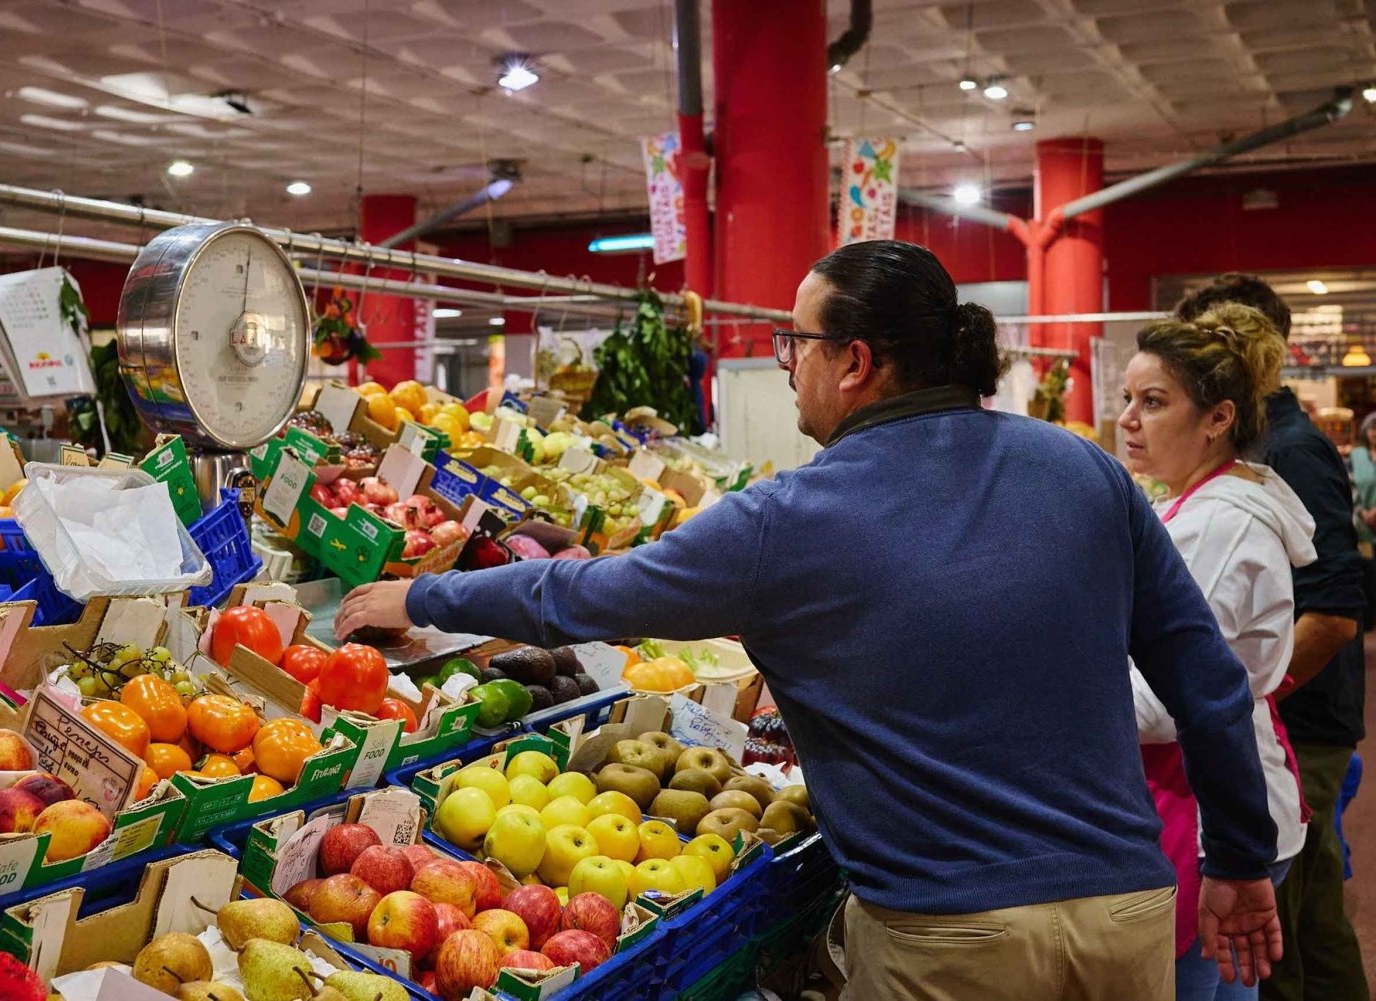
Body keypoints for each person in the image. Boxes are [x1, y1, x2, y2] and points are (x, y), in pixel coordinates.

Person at [338, 240, 1283, 1000]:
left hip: (951, 945)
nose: (787, 369)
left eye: (796, 345)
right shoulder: (1084, 472)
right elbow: (1206, 679)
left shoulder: (788, 519)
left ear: (856, 362)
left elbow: (581, 594)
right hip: (1126, 918)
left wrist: (420, 594)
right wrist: (1240, 861)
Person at [1175, 274, 1368, 1001]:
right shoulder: (1253, 448)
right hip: (1277, 726)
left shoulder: (1288, 449)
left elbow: (1335, 611)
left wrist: (1247, 695)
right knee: (1281, 937)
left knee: (1292, 936)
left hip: (1301, 728)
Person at [1119, 304, 1315, 1000]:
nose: (1128, 420)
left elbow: (1165, 701)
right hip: (1217, 793)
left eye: (1154, 401)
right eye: (1127, 400)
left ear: (1217, 417)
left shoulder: (1217, 523)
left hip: (1203, 805)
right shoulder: (1209, 505)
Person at [1349, 412, 1376, 552]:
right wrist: (1362, 512)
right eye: (1372, 429)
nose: (1375, 433)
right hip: (1361, 525)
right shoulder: (1355, 456)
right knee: (1368, 569)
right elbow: (1350, 486)